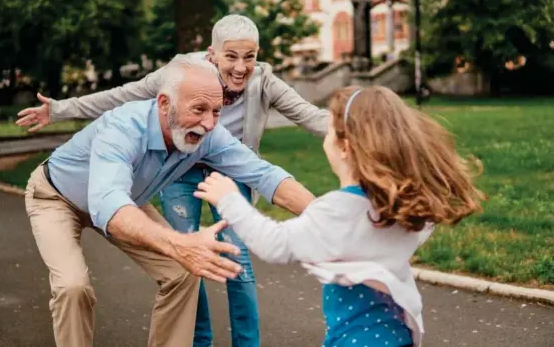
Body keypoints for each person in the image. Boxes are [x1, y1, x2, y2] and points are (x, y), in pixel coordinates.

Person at [16, 14, 329, 347]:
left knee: (182, 274)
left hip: (126, 201)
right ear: (164, 104)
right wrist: (180, 244)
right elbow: (108, 204)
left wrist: (327, 217)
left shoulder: (210, 132)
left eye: (217, 111)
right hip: (57, 197)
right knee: (73, 286)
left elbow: (266, 175)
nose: (209, 124)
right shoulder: (123, 128)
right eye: (198, 110)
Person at [193, 85, 486, 347]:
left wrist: (229, 199)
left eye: (330, 129)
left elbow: (274, 244)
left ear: (344, 147)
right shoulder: (402, 206)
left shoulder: (337, 211)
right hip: (397, 335)